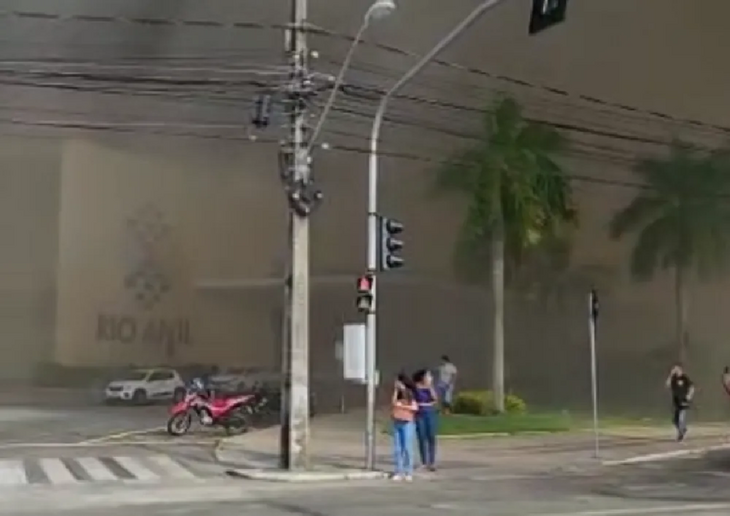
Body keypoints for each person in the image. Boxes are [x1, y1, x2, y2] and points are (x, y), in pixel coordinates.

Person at [391, 373, 418, 481]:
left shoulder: (410, 394)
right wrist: (396, 391)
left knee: (407, 447)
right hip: (397, 421)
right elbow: (393, 402)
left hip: (407, 422)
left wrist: (403, 406)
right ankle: (398, 470)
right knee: (398, 448)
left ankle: (408, 471)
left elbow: (415, 407)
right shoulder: (397, 394)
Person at [412, 369, 439, 471]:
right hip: (420, 414)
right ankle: (424, 461)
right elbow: (413, 399)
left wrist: (430, 387)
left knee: (431, 436)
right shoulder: (416, 387)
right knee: (422, 437)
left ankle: (431, 462)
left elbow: (435, 399)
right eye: (428, 376)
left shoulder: (430, 387)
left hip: (430, 413)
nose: (429, 378)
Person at [665, 363, 694, 442]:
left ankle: (680, 434)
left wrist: (689, 395)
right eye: (674, 369)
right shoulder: (673, 379)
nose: (676, 371)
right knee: (675, 420)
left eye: (677, 369)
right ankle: (682, 429)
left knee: (681, 419)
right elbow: (667, 385)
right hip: (676, 402)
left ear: (681, 370)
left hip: (683, 401)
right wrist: (670, 375)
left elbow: (691, 387)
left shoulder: (685, 378)